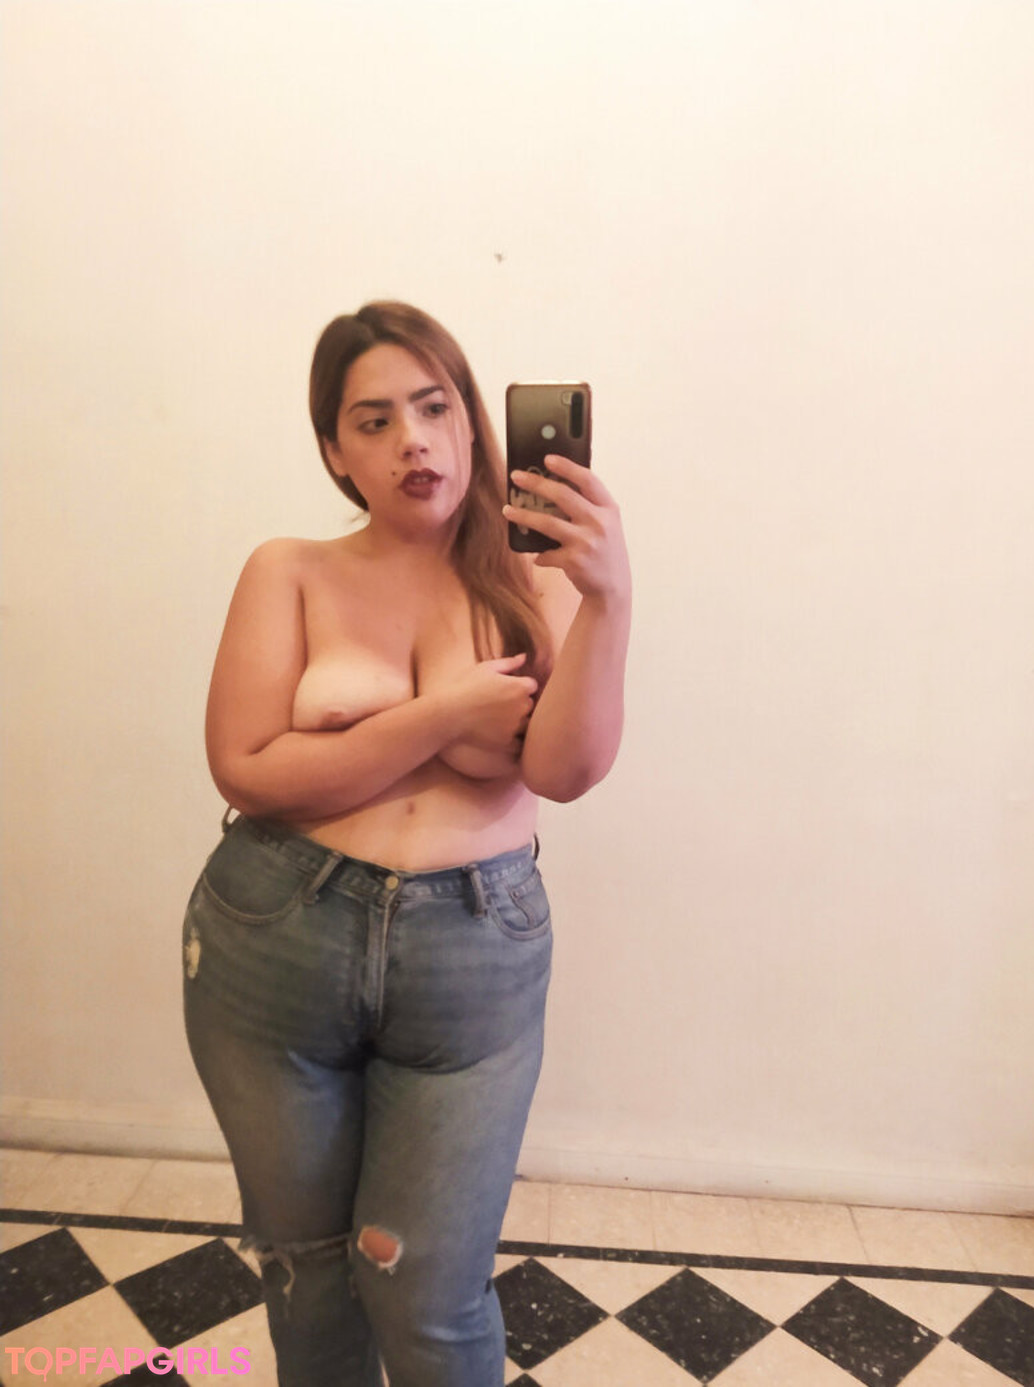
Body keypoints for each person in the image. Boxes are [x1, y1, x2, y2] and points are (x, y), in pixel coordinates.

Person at [182, 301, 631, 1387]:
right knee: (309, 1270)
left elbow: (564, 771)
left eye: (433, 409)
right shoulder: (290, 569)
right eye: (373, 421)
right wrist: (441, 718)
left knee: (426, 1289)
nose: (412, 442)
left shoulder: (537, 577)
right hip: (275, 928)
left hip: (471, 948)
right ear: (336, 451)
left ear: (474, 421)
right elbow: (246, 767)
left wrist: (610, 597)